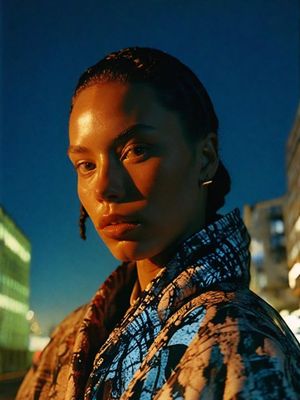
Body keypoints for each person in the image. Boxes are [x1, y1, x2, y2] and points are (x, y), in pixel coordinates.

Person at [17, 47, 300, 400]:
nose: (104, 186)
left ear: (206, 158)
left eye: (137, 150)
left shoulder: (246, 347)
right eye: (85, 165)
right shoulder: (71, 337)